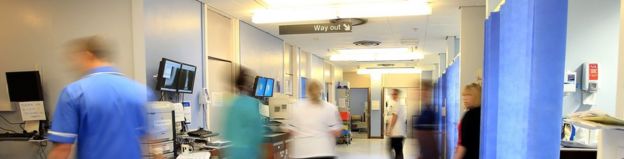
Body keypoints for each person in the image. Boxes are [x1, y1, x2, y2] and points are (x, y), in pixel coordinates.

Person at [47, 36, 150, 159]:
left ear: (88, 55)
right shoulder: (140, 91)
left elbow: (62, 149)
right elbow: (150, 141)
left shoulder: (74, 92)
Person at [286, 80, 342, 159]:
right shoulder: (330, 108)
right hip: (324, 151)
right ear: (321, 91)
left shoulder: (296, 107)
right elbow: (337, 132)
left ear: (307, 91)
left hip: (302, 152)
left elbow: (291, 131)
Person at [222, 67, 264, 159]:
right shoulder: (253, 103)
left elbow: (227, 131)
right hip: (249, 152)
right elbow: (258, 133)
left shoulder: (232, 104)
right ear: (249, 85)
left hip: (233, 152)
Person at [454, 83, 482, 159]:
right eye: (464, 95)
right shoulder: (484, 113)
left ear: (477, 96)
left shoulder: (469, 115)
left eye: (468, 95)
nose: (465, 98)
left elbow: (464, 144)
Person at [414, 80, 441, 159]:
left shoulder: (430, 110)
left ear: (429, 92)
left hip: (429, 151)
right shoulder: (423, 109)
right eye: (420, 90)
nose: (421, 93)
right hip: (425, 150)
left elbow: (430, 134)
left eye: (424, 90)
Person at [386, 88, 407, 159]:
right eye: (392, 94)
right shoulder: (400, 104)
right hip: (399, 133)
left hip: (396, 133)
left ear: (398, 95)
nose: (393, 95)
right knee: (397, 151)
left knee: (396, 151)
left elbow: (395, 118)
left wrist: (389, 129)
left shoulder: (397, 105)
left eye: (395, 94)